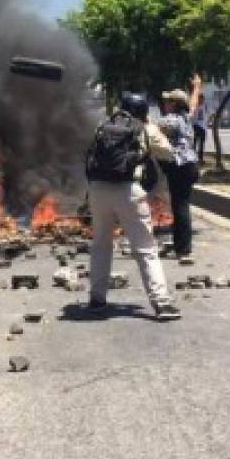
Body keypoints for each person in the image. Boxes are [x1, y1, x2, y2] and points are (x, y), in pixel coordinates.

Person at [84, 91, 180, 321]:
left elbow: (89, 157)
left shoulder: (102, 125)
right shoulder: (145, 128)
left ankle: (97, 299)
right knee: (145, 248)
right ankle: (162, 303)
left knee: (101, 245)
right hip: (129, 191)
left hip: (98, 190)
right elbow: (168, 153)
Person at [158, 75, 203, 264]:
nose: (165, 103)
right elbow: (192, 104)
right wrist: (196, 87)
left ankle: (184, 249)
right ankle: (179, 245)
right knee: (179, 205)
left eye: (168, 101)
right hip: (191, 166)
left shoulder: (172, 120)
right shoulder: (186, 116)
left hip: (180, 167)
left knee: (180, 206)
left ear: (175, 104)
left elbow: (152, 128)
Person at [191, 89, 209, 160]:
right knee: (195, 143)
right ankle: (193, 157)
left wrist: (208, 122)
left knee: (201, 144)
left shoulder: (205, 106)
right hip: (196, 126)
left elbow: (208, 114)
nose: (201, 100)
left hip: (203, 127)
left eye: (202, 99)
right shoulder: (195, 106)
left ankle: (200, 158)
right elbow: (192, 116)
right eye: (200, 98)